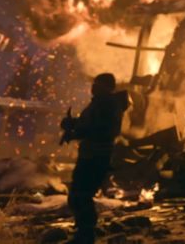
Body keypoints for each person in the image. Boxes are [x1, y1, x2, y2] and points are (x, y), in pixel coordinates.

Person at [60, 73, 129, 243]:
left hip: (96, 156)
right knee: (78, 194)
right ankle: (83, 232)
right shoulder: (101, 104)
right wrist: (74, 124)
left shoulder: (108, 105)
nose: (93, 87)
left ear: (106, 86)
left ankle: (86, 235)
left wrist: (76, 132)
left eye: (97, 84)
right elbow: (90, 123)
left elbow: (100, 129)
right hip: (90, 154)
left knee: (81, 194)